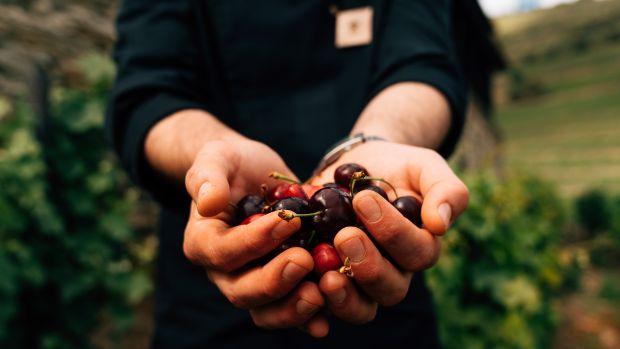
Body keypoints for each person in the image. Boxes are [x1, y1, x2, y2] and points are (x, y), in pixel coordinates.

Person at [106, 1, 470, 348]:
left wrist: (382, 138)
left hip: (380, 291)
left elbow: (423, 66)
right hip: (215, 293)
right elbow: (147, 93)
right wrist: (214, 155)